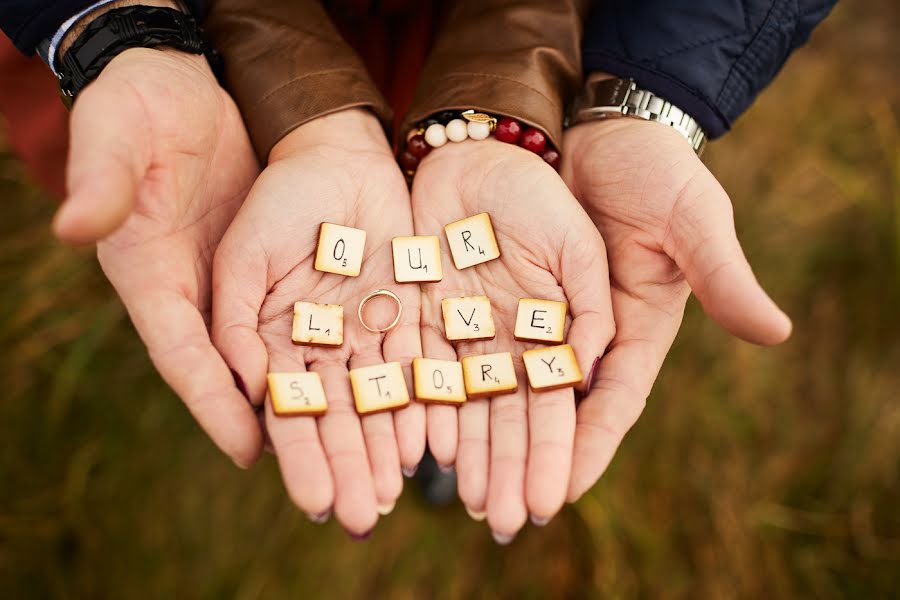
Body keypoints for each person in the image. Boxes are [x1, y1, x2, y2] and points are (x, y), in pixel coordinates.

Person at [0, 0, 836, 544]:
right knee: (207, 241)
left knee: (432, 339)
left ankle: (433, 439)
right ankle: (407, 428)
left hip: (555, 38)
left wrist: (650, 100)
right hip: (204, 54)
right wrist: (118, 28)